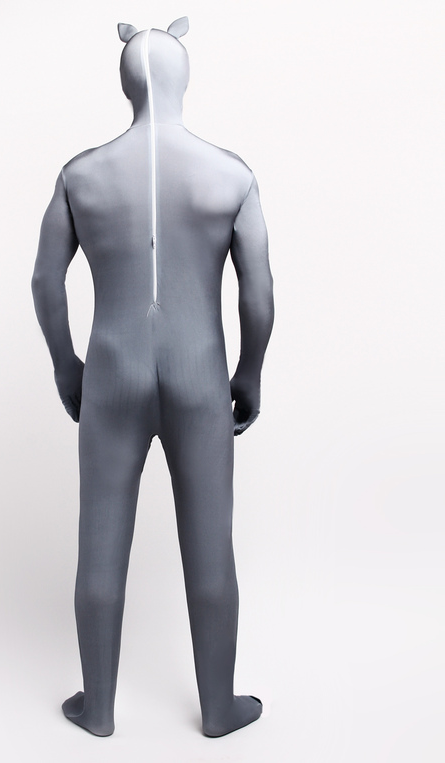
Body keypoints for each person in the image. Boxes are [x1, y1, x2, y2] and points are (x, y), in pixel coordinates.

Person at [31, 17, 274, 737]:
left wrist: (66, 365)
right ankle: (220, 709)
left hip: (112, 372)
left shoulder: (80, 175)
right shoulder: (231, 174)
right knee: (211, 547)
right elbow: (258, 295)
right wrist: (249, 371)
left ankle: (98, 709)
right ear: (182, 77)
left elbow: (46, 281)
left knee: (100, 543)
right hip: (201, 376)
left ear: (125, 81)